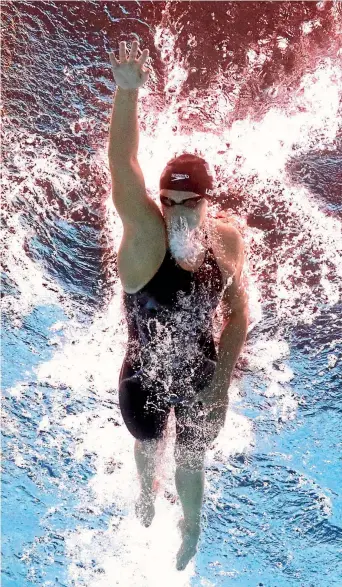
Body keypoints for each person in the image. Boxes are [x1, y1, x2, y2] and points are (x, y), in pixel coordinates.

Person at [108, 40, 249, 571]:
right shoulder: (146, 237)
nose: (178, 215)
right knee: (147, 442)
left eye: (190, 205)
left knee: (194, 457)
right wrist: (126, 93)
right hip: (142, 375)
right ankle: (145, 490)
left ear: (210, 202)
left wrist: (221, 380)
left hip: (201, 372)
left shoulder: (228, 242)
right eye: (169, 203)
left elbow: (239, 312)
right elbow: (123, 167)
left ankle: (190, 526)